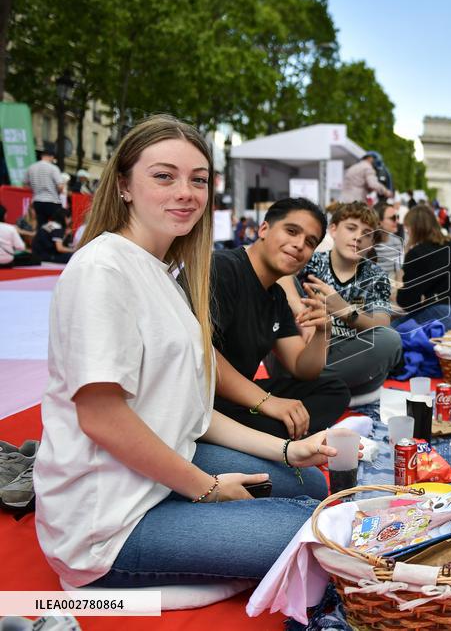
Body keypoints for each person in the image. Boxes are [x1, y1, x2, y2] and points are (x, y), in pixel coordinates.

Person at [34, 114, 342, 590]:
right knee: (322, 537)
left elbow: (195, 411)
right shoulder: (102, 269)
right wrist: (209, 489)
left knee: (307, 485)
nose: (186, 192)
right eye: (164, 176)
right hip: (109, 522)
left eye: (198, 180)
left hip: (163, 470)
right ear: (124, 185)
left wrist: (286, 448)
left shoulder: (168, 274)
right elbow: (100, 418)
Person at [210, 198, 352, 439]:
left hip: (243, 399)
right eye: (292, 231)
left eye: (310, 242)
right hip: (207, 403)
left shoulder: (276, 295)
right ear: (263, 229)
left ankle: (283, 432)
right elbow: (203, 356)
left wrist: (323, 331)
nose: (299, 245)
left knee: (335, 388)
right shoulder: (223, 269)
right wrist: (267, 402)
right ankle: (280, 435)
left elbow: (301, 368)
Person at [279, 201, 402, 398]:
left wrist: (344, 310)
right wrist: (301, 312)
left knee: (390, 340)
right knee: (275, 294)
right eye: (351, 228)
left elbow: (383, 325)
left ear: (371, 243)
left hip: (348, 354)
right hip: (307, 346)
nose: (358, 237)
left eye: (367, 233)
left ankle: (300, 385)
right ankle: (313, 385)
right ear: (333, 230)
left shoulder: (375, 276)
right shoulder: (314, 260)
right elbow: (280, 275)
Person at [393, 204, 451, 331]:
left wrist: (400, 278)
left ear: (414, 228)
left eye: (407, 227)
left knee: (388, 332)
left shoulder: (418, 253)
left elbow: (406, 302)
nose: (406, 231)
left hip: (445, 315)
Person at [25, 145, 63, 226]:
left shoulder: (31, 168)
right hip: (52, 201)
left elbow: (26, 184)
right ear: (51, 156)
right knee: (57, 226)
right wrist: (58, 192)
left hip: (37, 201)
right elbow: (60, 186)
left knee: (41, 226)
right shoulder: (53, 168)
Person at [372, 200, 404, 283]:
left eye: (397, 217)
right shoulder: (368, 243)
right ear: (379, 222)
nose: (397, 221)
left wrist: (398, 290)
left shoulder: (397, 241)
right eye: (393, 218)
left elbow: (398, 272)